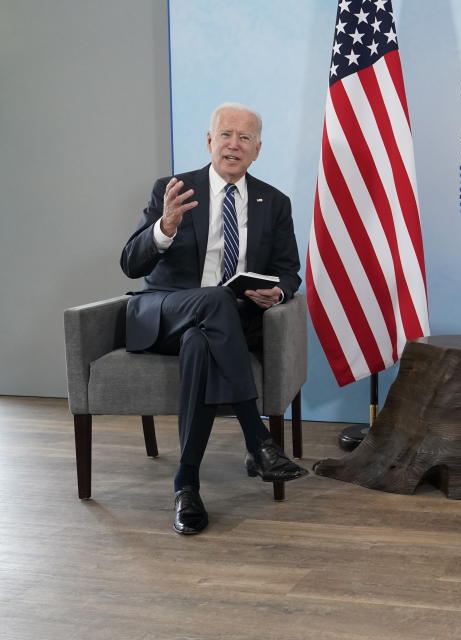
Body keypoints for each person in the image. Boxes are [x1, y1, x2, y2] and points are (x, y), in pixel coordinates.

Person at [121, 103, 308, 535]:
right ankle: (258, 440)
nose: (233, 145)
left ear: (257, 150)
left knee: (202, 341)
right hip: (164, 311)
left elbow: (289, 269)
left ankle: (186, 484)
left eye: (245, 138)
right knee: (212, 301)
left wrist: (277, 290)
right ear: (209, 141)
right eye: (226, 135)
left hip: (222, 327)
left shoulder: (274, 202)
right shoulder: (172, 190)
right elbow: (130, 263)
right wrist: (164, 227)